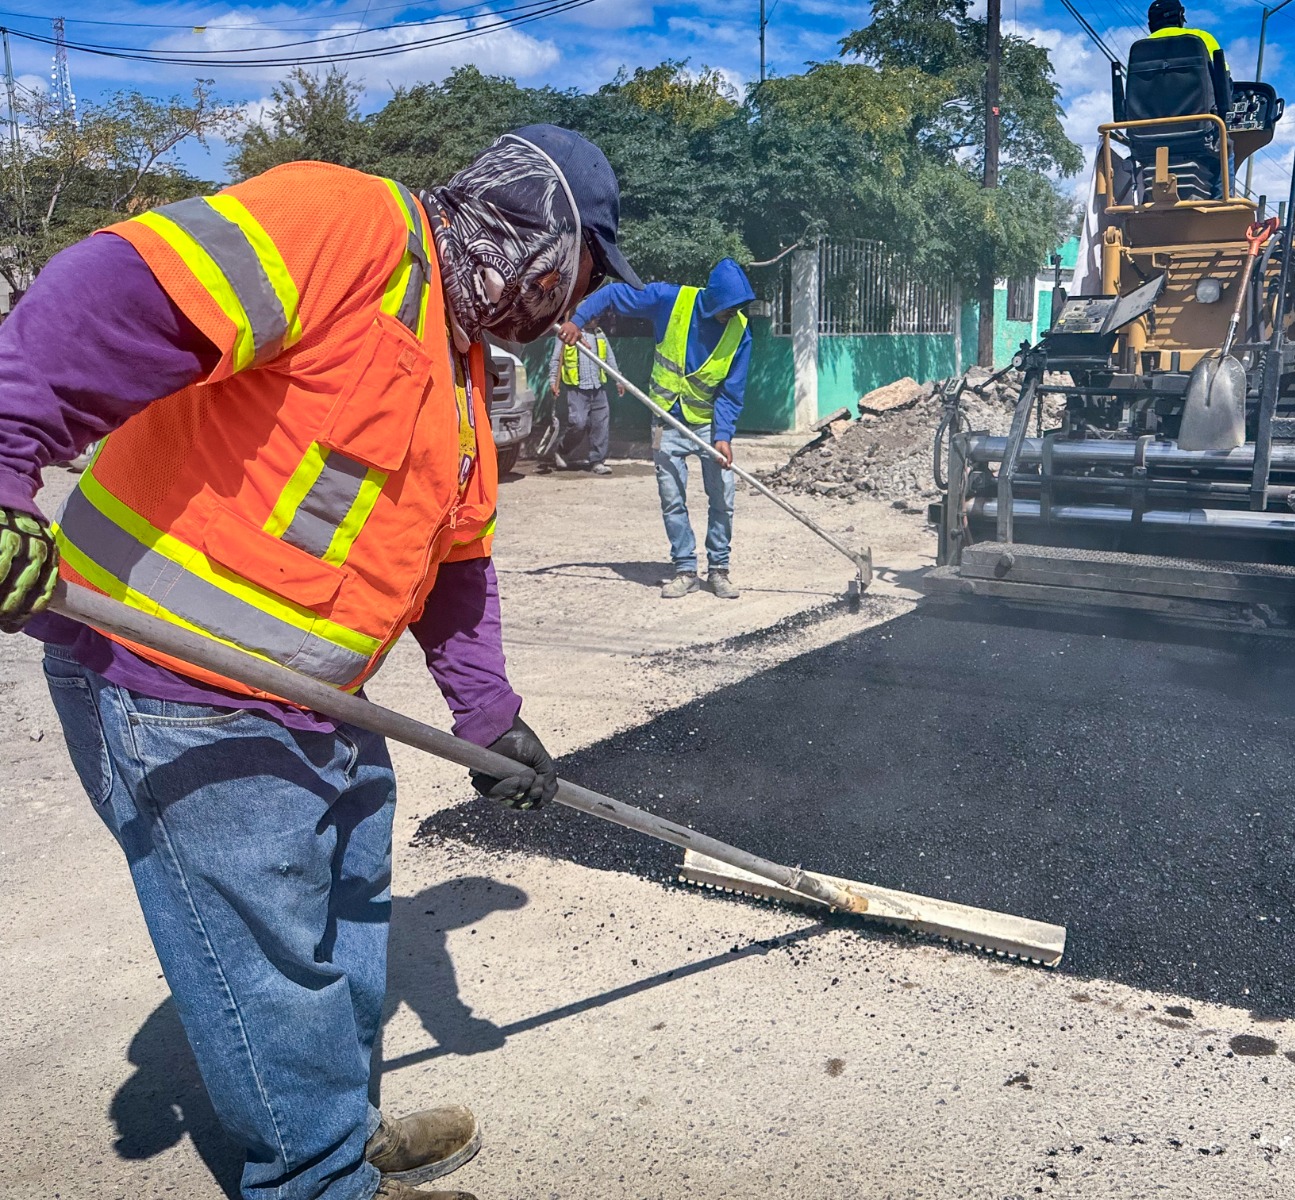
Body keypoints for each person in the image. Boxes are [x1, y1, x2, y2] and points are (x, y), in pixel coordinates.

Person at [0, 124, 641, 1200]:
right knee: (269, 965)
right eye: (583, 273)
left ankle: (343, 1131)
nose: (574, 302)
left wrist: (489, 719)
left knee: (349, 921)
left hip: (320, 698)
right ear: (546, 236)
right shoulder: (346, 226)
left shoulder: (460, 365)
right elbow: (102, 293)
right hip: (178, 686)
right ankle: (316, 1179)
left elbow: (457, 564)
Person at [558, 259, 754, 600]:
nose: (732, 313)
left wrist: (723, 436)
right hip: (666, 421)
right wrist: (577, 320)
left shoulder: (741, 331)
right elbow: (615, 294)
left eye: (738, 307)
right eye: (728, 307)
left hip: (708, 426)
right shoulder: (670, 300)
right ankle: (685, 570)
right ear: (713, 299)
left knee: (723, 499)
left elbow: (731, 391)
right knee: (672, 499)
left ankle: (719, 570)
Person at [547, 317, 617, 474]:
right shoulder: (567, 334)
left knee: (600, 425)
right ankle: (562, 450)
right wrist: (553, 381)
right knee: (578, 423)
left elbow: (610, 359)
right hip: (577, 389)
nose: (596, 319)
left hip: (598, 387)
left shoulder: (600, 334)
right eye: (592, 316)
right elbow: (556, 360)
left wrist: (618, 380)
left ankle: (597, 461)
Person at [1142, 0, 1231, 111]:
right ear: (1180, 15)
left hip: (1150, 120)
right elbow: (1223, 79)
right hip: (1202, 117)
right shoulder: (1202, 37)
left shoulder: (1140, 49)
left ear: (1150, 25)